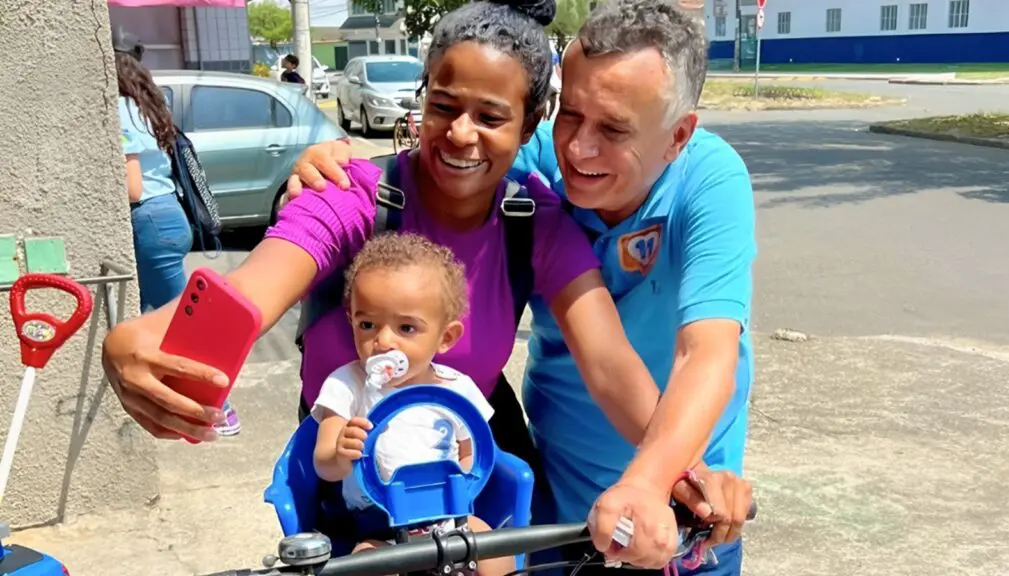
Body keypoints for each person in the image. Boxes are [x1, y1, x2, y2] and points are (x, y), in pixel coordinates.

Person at [100, 0, 747, 565]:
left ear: (528, 126)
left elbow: (611, 368)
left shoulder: (538, 220)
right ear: (422, 97)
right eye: (443, 105)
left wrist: (682, 477)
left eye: (491, 116)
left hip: (465, 491)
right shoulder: (353, 197)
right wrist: (152, 338)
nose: (461, 133)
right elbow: (251, 289)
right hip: (343, 490)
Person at [311, 233, 513, 576]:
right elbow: (324, 464)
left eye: (406, 327)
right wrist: (340, 452)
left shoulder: (458, 390)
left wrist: (461, 483)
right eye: (367, 324)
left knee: (495, 549)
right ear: (352, 322)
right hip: (377, 520)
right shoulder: (347, 385)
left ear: (445, 337)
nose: (384, 341)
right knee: (367, 564)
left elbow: (472, 452)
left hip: (448, 514)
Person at [113, 28, 241, 438]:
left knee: (184, 334)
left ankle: (224, 411)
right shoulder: (148, 104)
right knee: (164, 323)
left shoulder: (116, 108)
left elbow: (132, 187)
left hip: (150, 220)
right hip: (170, 215)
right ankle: (182, 400)